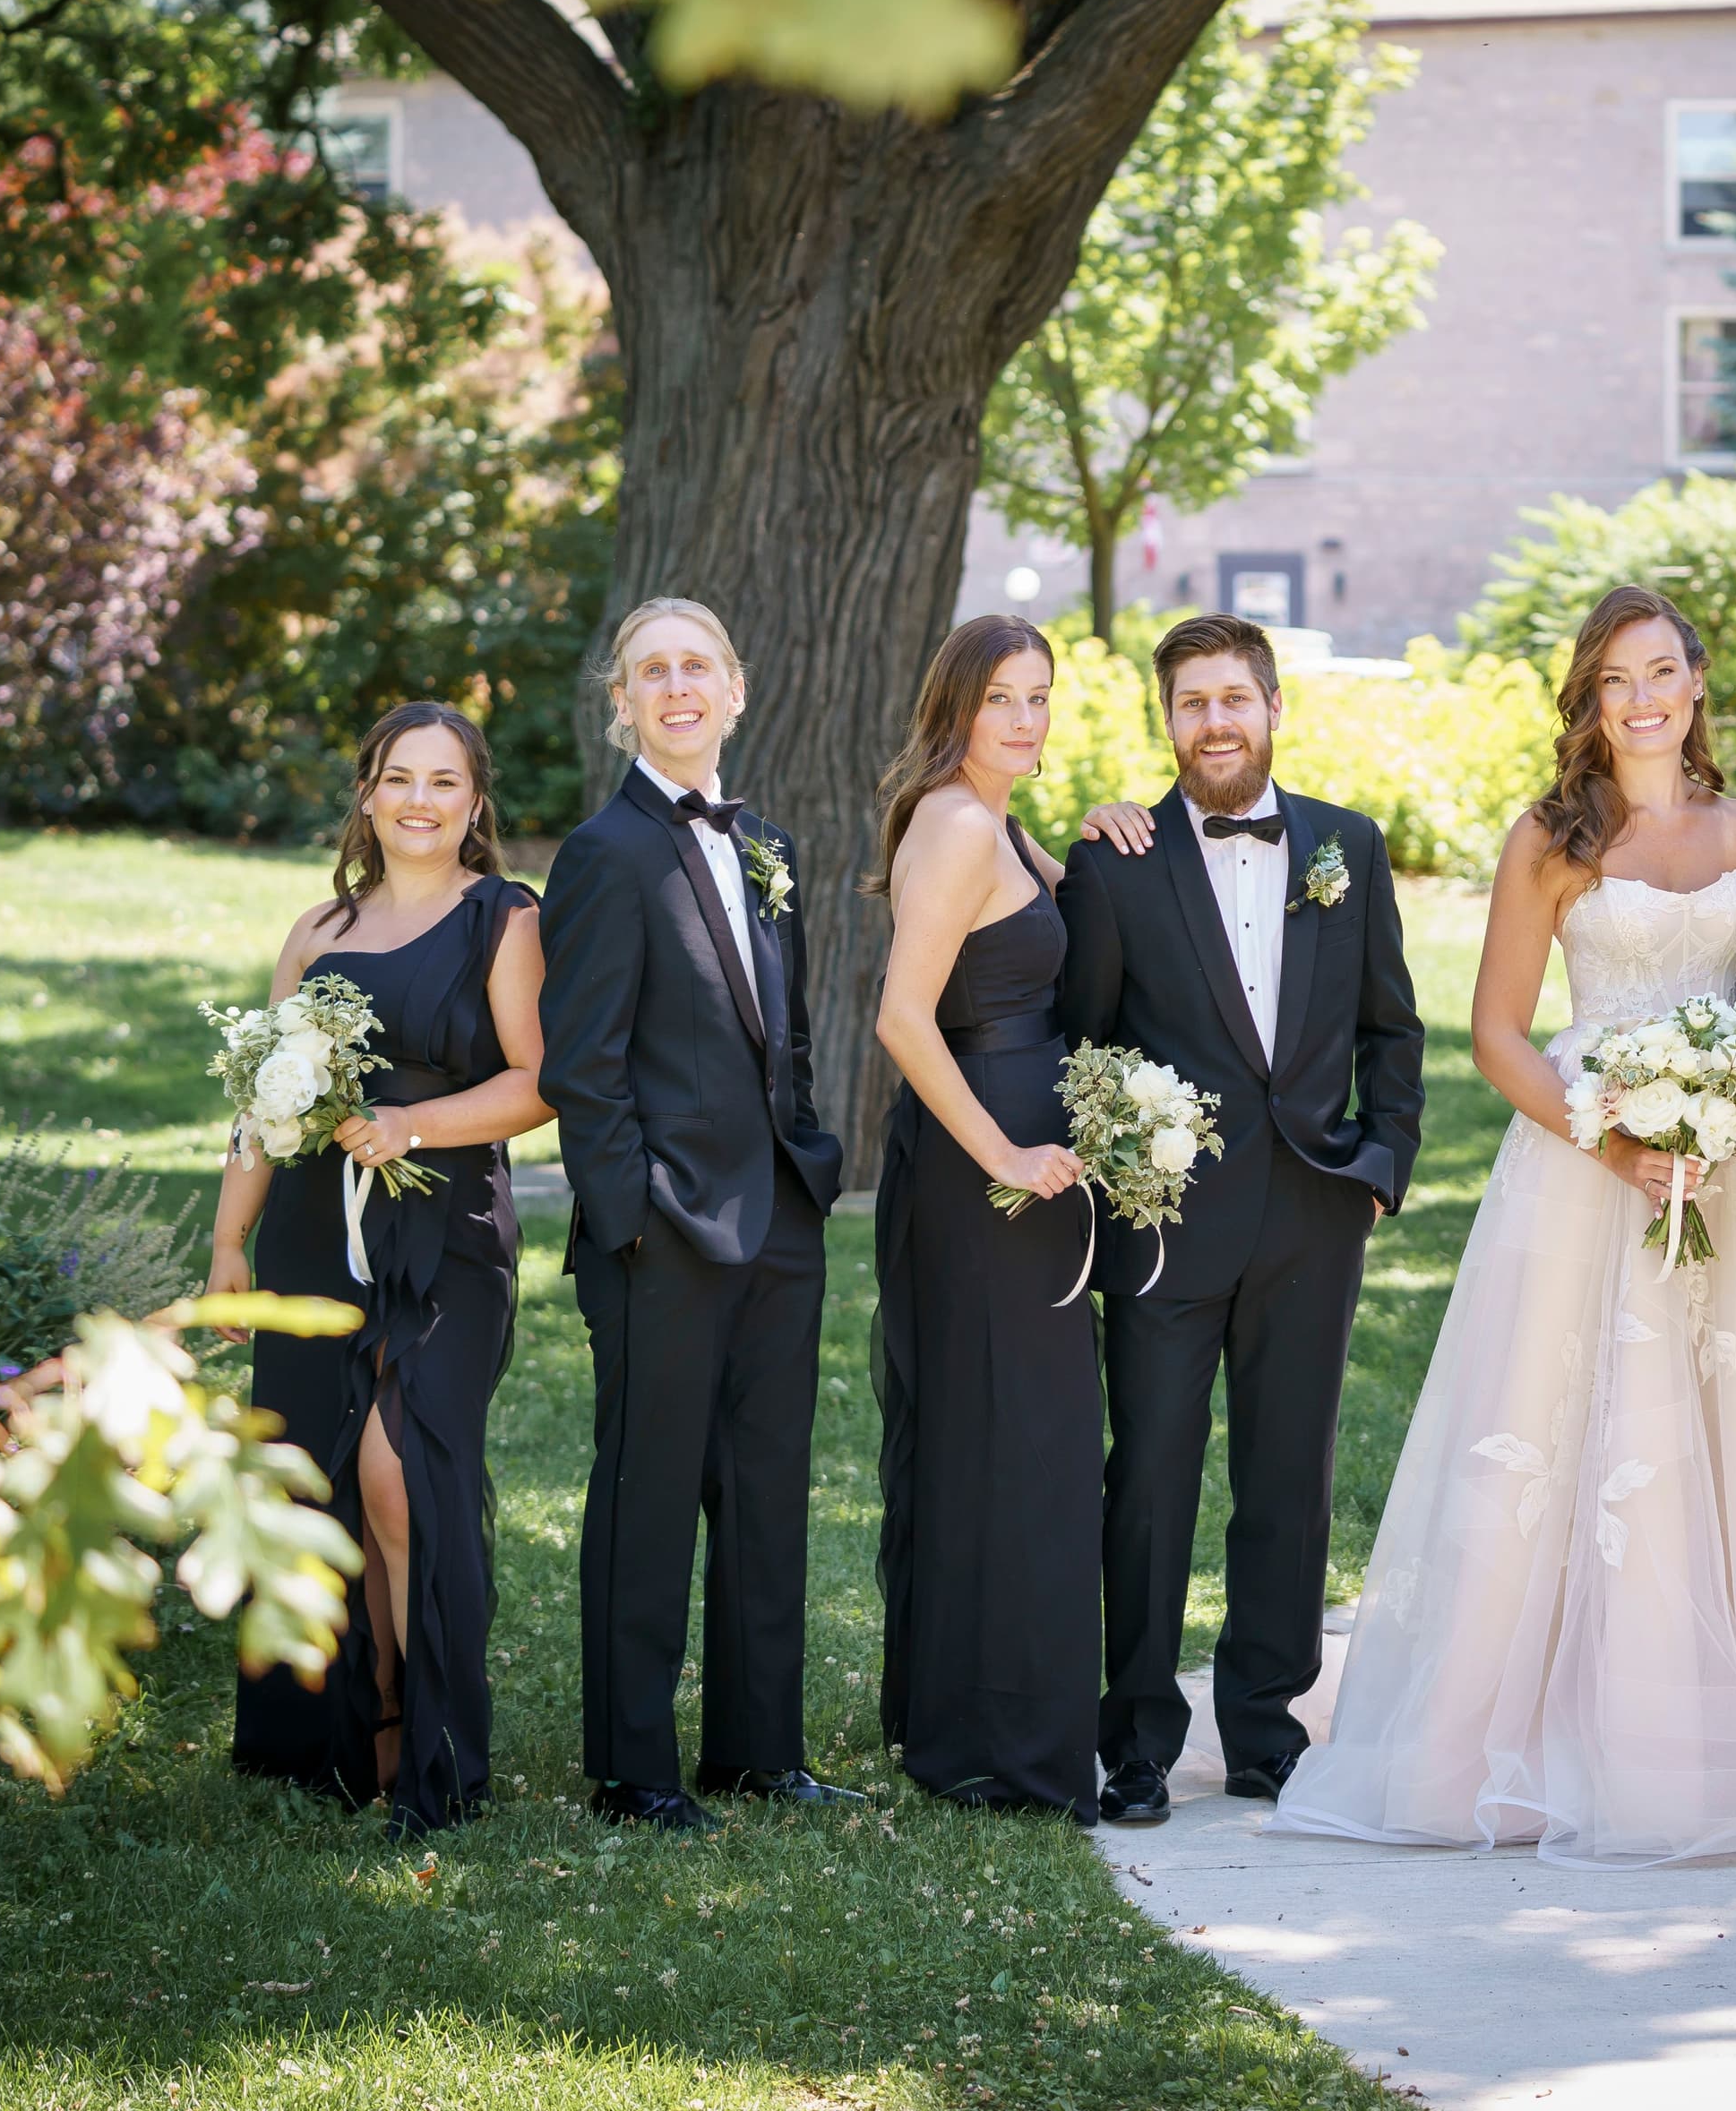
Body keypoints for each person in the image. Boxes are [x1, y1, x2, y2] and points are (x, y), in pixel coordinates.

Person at [1269, 586, 1736, 1866]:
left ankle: (1727, 1740)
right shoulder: (1550, 839)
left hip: (1727, 1188)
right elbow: (1496, 1033)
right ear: (1591, 702)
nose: (1643, 699)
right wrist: (1613, 1142)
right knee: (1571, 1443)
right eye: (1616, 680)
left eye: (1661, 672)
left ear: (1698, 680)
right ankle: (1551, 1735)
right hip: (1581, 1174)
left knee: (1733, 1453)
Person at [1060, 614, 1424, 1826]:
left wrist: (1382, 1161)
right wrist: (1120, 1169)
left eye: (1233, 698)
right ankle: (1136, 1741)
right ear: (1168, 721)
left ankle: (1267, 1729)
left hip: (1315, 1211)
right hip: (1165, 1225)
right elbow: (1083, 1042)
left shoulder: (1348, 846)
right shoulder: (1115, 861)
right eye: (1191, 703)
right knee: (1150, 1481)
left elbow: (1391, 1026)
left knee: (1288, 1480)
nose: (1214, 722)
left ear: (1274, 708)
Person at [538, 596, 852, 1832]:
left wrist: (806, 1161)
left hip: (780, 1218)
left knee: (768, 1493)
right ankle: (635, 1770)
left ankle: (757, 1752)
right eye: (651, 671)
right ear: (622, 703)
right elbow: (583, 1066)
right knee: (650, 1497)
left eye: (697, 666)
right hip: (661, 1231)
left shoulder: (765, 844)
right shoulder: (603, 854)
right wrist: (632, 1219)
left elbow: (790, 1032)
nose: (677, 686)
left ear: (735, 688)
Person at [211, 703, 547, 1832]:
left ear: (474, 802)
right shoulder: (318, 929)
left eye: (444, 782)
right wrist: (228, 1244)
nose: (419, 800)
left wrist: (416, 1125)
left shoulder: (505, 917)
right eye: (400, 777)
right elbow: (262, 1102)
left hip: (446, 1231)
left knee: (400, 1471)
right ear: (367, 793)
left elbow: (538, 1083)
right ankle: (353, 1724)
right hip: (316, 1231)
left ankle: (430, 1736)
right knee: (319, 1473)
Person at [870, 614, 1106, 1823]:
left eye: (1039, 696)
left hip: (1017, 1170)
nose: (1024, 718)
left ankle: (981, 1720)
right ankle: (1004, 1744)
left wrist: (1103, 837)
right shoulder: (960, 825)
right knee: (1018, 1437)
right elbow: (902, 1017)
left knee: (1015, 1436)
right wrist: (1005, 1153)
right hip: (987, 1175)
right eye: (1000, 697)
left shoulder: (994, 820)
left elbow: (1071, 910)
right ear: (955, 706)